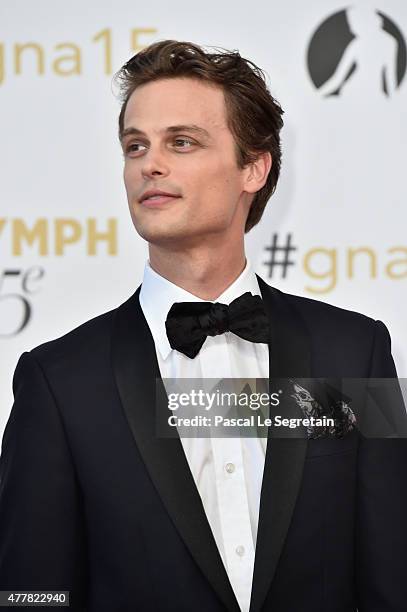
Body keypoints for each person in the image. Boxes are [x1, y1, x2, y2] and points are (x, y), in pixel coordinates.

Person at [0, 39, 406, 612]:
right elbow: (31, 596)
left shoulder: (357, 350)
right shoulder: (58, 381)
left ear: (254, 168)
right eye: (134, 145)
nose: (150, 163)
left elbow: (391, 575)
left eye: (182, 142)